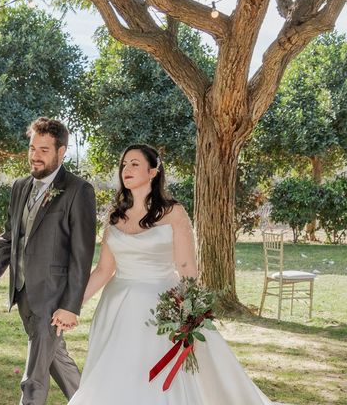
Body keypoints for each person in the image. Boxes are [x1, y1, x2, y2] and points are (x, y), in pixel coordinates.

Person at [68, 144, 273, 404]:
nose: (126, 169)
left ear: (153, 171)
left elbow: (186, 268)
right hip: (117, 308)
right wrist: (73, 305)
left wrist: (191, 312)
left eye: (134, 164)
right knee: (116, 371)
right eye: (123, 165)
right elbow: (103, 270)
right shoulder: (115, 217)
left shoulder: (173, 212)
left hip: (162, 307)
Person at [0, 117, 96, 405]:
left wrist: (70, 305)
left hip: (54, 297)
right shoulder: (19, 186)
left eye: (43, 150)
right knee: (56, 360)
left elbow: (82, 254)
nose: (35, 156)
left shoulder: (79, 190)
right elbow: (8, 239)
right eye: (31, 148)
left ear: (61, 152)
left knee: (33, 378)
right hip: (23, 292)